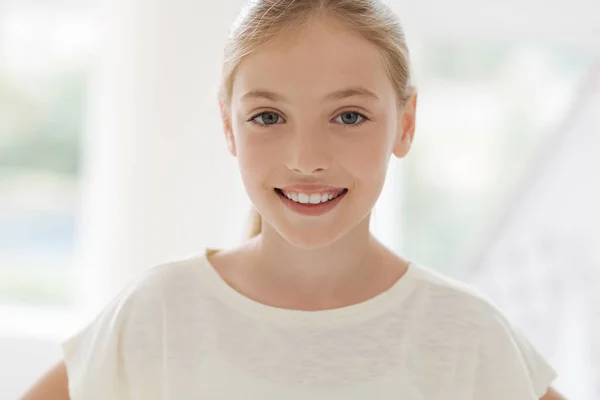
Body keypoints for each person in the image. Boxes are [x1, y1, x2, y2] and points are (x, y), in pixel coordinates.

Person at [21, 1, 566, 399]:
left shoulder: (465, 333)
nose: (307, 158)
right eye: (268, 117)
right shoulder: (159, 312)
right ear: (228, 127)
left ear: (406, 123)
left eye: (348, 116)